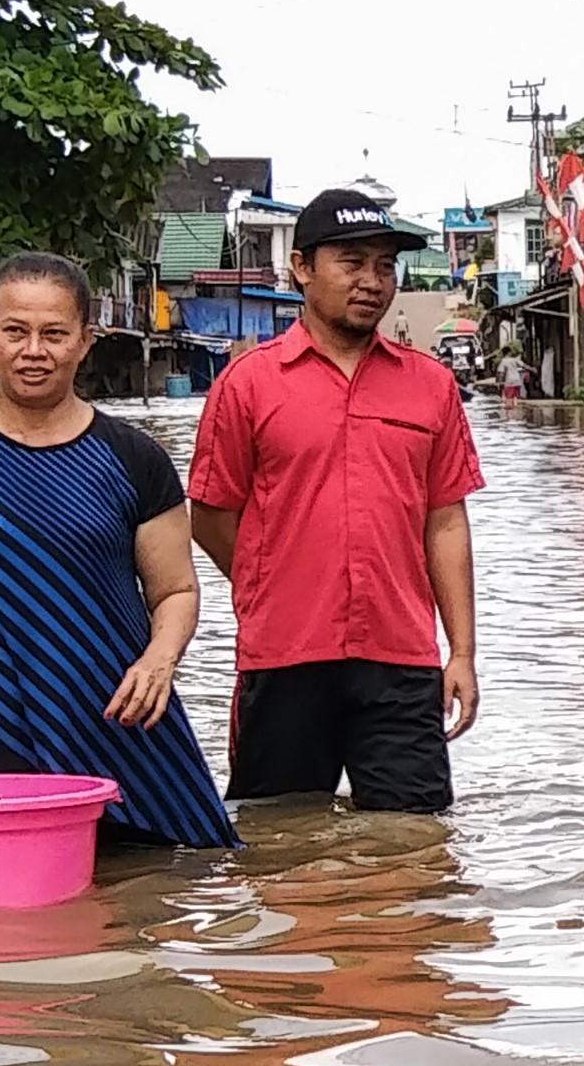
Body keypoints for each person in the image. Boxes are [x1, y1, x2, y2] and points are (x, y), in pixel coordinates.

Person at [0, 250, 238, 850]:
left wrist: (159, 661)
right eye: (15, 331)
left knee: (167, 886)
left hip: (119, 717)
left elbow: (175, 590)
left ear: (85, 341)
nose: (33, 350)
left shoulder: (135, 460)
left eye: (54, 334)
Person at [187, 188, 484, 814]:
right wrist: (265, 581)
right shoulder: (248, 384)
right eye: (351, 263)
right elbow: (210, 511)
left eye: (384, 266)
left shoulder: (430, 386)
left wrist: (461, 652)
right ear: (302, 268)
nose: (371, 282)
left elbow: (446, 522)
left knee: (416, 848)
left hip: (401, 660)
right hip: (284, 655)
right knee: (278, 846)